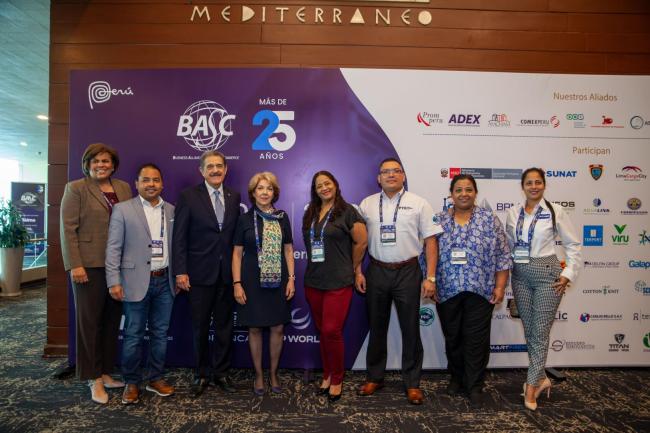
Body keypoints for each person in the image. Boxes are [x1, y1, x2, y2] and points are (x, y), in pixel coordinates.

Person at [356, 157, 442, 405]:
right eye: (386, 172)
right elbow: (358, 241)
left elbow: (431, 242)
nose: (391, 175)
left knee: (411, 329)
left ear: (403, 176)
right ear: (379, 178)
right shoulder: (367, 204)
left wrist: (431, 277)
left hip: (408, 271)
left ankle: (412, 383)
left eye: (396, 171)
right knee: (376, 327)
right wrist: (357, 271)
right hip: (376, 270)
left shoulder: (419, 203)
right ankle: (375, 377)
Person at [60, 142, 132, 404]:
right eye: (96, 161)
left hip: (119, 265)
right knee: (89, 323)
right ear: (87, 164)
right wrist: (75, 264)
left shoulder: (123, 188)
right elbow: (67, 230)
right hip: (88, 266)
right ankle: (93, 378)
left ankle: (105, 372)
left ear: (113, 165)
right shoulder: (76, 188)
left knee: (111, 322)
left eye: (106, 161)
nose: (101, 165)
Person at [505, 167, 582, 411]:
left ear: (544, 185)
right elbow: (510, 246)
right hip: (520, 275)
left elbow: (573, 245)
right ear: (523, 186)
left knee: (539, 331)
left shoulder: (555, 211)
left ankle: (531, 386)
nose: (534, 186)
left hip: (547, 274)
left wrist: (568, 274)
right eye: (529, 183)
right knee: (530, 331)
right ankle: (541, 378)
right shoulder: (512, 213)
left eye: (538, 182)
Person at [434, 174, 511, 404]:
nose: (464, 194)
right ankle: (457, 378)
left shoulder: (489, 219)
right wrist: (431, 281)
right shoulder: (439, 220)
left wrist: (500, 286)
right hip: (447, 289)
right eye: (458, 190)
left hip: (481, 289)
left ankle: (475, 384)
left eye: (469, 189)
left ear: (475, 193)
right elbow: (427, 253)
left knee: (476, 340)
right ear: (451, 194)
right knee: (453, 337)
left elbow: (503, 254)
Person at [105, 163, 176, 405]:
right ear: (136, 184)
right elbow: (113, 248)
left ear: (162, 184)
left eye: (155, 180)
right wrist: (113, 280)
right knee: (133, 335)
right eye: (145, 180)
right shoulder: (123, 209)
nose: (151, 184)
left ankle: (156, 378)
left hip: (165, 281)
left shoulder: (171, 210)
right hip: (134, 282)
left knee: (160, 334)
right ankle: (132, 382)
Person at [172, 150, 241, 397]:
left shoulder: (234, 196)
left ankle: (221, 373)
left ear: (226, 169)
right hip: (199, 275)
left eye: (219, 166)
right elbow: (179, 237)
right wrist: (180, 271)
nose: (215, 170)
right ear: (201, 171)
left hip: (226, 275)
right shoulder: (188, 196)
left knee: (224, 327)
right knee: (200, 327)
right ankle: (201, 374)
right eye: (210, 166)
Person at [302, 171, 367, 402]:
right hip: (313, 281)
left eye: (327, 183)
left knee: (332, 331)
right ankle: (327, 374)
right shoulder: (310, 212)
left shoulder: (348, 211)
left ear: (336, 185)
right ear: (315, 190)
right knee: (323, 332)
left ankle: (337, 378)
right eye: (319, 185)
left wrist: (354, 268)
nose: (324, 188)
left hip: (339, 281)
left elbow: (361, 241)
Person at [232, 172, 295, 396]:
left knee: (278, 327)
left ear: (274, 192)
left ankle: (274, 373)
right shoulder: (244, 219)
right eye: (260, 188)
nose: (265, 192)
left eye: (269, 188)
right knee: (255, 328)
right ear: (253, 193)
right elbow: (236, 254)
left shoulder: (282, 217)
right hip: (251, 281)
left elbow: (288, 250)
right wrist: (237, 283)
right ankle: (258, 374)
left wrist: (291, 279)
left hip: (279, 280)